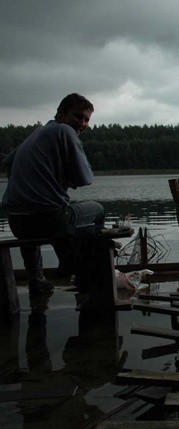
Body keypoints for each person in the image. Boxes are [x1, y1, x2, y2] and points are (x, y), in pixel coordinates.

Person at [2, 93, 106, 294]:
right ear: (61, 113)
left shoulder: (38, 132)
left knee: (29, 219)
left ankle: (37, 279)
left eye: (86, 119)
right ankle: (82, 268)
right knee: (98, 210)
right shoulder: (65, 131)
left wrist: (26, 184)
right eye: (77, 116)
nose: (82, 123)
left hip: (16, 222)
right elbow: (85, 178)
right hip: (50, 220)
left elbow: (8, 162)